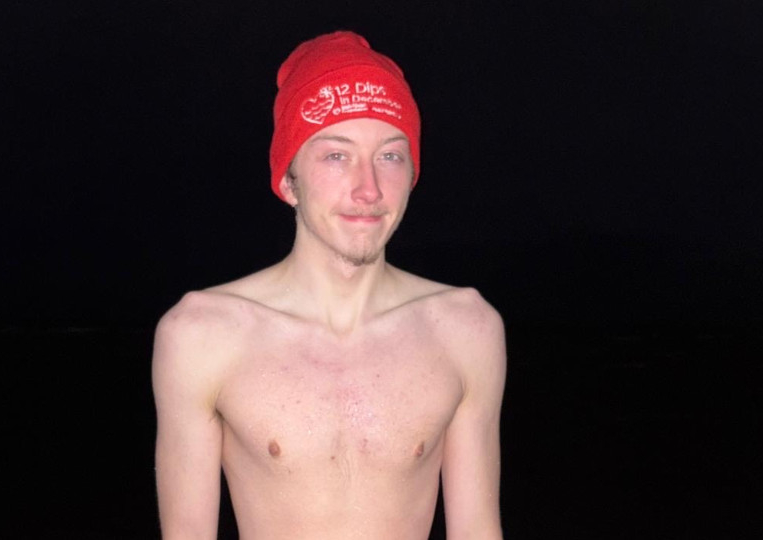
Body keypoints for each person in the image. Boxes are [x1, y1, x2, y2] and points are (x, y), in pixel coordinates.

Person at [152, 31, 507, 540]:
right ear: (287, 180)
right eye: (336, 156)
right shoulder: (202, 335)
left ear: (412, 173)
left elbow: (477, 530)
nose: (368, 189)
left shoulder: (466, 329)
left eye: (390, 156)